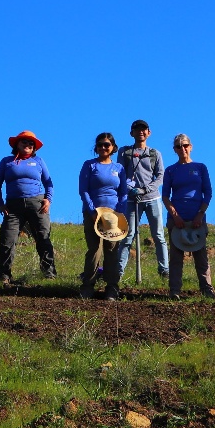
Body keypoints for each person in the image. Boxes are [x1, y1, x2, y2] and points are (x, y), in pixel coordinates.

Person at [109, 119, 170, 288]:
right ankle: (118, 272)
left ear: (149, 133)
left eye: (144, 130)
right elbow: (120, 173)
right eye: (137, 129)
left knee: (158, 236)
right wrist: (130, 189)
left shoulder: (155, 153)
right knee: (127, 236)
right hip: (131, 200)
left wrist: (145, 189)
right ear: (132, 133)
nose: (140, 132)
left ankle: (164, 270)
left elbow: (160, 176)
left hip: (152, 199)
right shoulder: (125, 152)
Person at [0, 130, 56, 283]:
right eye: (24, 141)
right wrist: (0, 204)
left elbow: (49, 183)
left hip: (37, 204)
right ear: (17, 144)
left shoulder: (39, 161)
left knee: (43, 237)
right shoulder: (6, 162)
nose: (27, 145)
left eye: (31, 143)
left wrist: (48, 199)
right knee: (7, 240)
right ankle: (4, 275)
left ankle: (49, 274)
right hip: (13, 206)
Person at [77, 133, 129, 299]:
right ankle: (88, 285)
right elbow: (83, 190)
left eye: (107, 145)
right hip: (93, 214)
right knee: (94, 249)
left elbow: (123, 193)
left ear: (113, 147)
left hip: (113, 215)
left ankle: (112, 286)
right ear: (96, 147)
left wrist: (119, 211)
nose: (103, 148)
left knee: (112, 250)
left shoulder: (119, 168)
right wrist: (92, 211)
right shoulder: (89, 165)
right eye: (100, 145)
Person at [162, 134, 214, 299]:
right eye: (178, 146)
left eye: (185, 145)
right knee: (176, 258)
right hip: (177, 219)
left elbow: (208, 192)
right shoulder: (171, 170)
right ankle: (174, 291)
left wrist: (200, 214)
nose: (182, 149)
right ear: (174, 150)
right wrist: (175, 216)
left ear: (190, 146)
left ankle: (207, 290)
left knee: (201, 257)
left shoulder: (200, 167)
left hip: (197, 217)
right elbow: (165, 196)